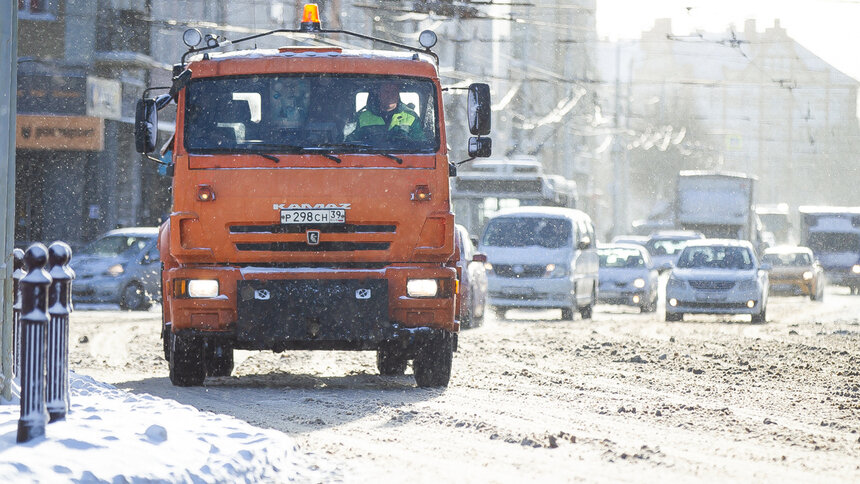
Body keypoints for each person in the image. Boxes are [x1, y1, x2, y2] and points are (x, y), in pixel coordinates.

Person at [348, 82, 424, 142]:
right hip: (368, 160)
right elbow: (349, 143)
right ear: (379, 94)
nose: (390, 95)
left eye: (394, 91)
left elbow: (422, 145)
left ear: (398, 94)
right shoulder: (362, 117)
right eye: (386, 91)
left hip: (404, 160)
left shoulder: (411, 117)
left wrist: (406, 142)